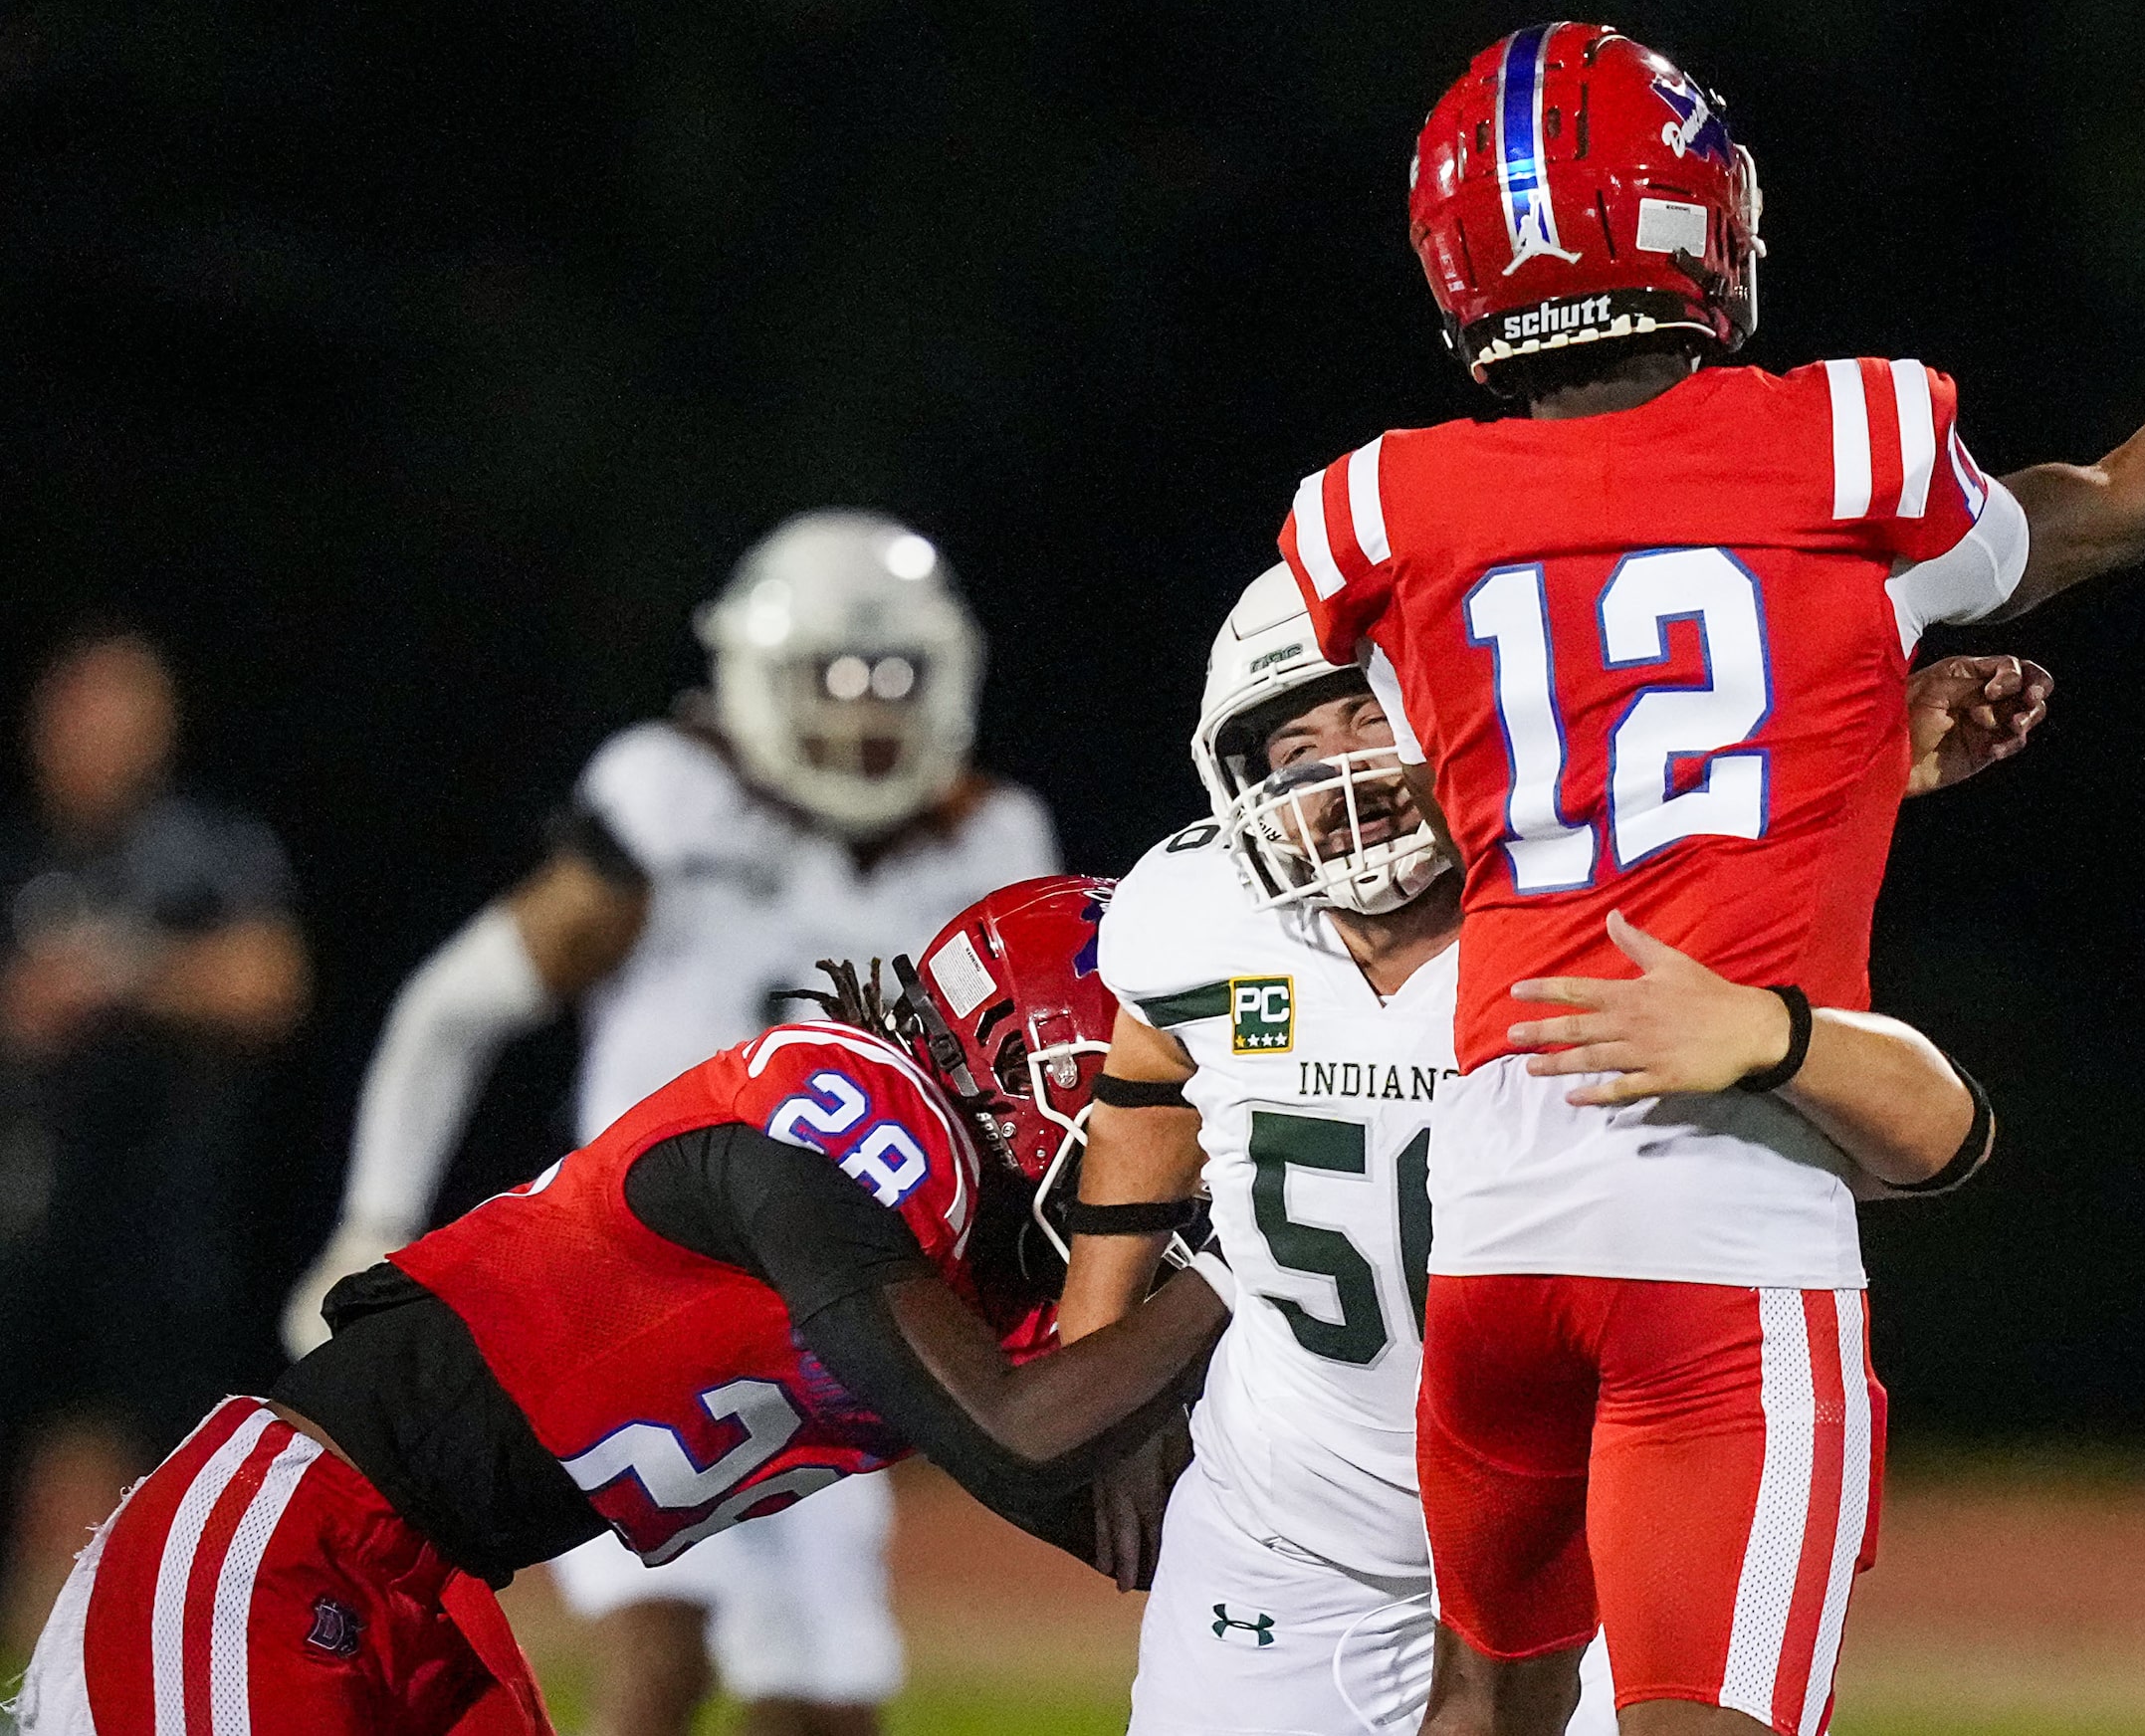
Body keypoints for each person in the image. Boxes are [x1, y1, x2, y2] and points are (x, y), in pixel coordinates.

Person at [1275, 22, 2145, 1736]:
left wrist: (1862, 731)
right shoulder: (1851, 443)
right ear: (1704, 220)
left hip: (1489, 1226)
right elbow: (2118, 505)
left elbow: (1575, 747)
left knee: (1477, 1714)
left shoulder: (1375, 510)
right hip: (1720, 1209)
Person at [1065, 566, 2045, 1735]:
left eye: (1374, 714)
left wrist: (1779, 1021)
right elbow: (1146, 1100)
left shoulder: (1615, 898)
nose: (1340, 771)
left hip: (1564, 1545)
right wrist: (1099, 1366)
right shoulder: (1191, 911)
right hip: (1285, 1536)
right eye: (1294, 744)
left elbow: (1939, 1137)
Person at [9, 877, 1227, 1736]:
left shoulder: (993, 1270)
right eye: (1163, 1114)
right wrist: (1245, 1268)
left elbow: (1141, 1520)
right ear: (1031, 1071)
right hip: (270, 1545)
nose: (1182, 1164)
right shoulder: (844, 1113)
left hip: (433, 1591)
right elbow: (1024, 1430)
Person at [281, 510, 1056, 1736]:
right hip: (629, 1278)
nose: (864, 711)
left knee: (827, 1709)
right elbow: (452, 1009)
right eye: (834, 677)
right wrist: (370, 1218)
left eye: (894, 676)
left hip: (834, 1309)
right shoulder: (673, 799)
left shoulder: (990, 841)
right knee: (665, 1651)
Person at [0, 626, 311, 1593]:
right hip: (30, 1207)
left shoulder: (208, 850)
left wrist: (129, 979)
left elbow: (271, 982)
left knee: (181, 1469)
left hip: (166, 1215)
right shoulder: (21, 859)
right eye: (84, 711)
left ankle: (180, 1660)